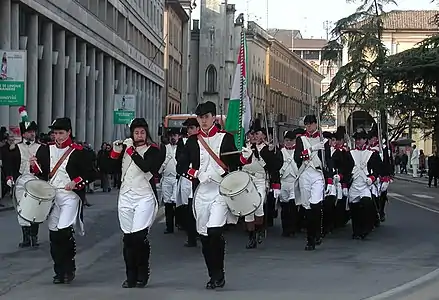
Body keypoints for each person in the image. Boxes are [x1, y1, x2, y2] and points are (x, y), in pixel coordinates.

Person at [178, 101, 250, 289]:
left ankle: (219, 273)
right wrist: (196, 174)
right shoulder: (192, 141)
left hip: (220, 191)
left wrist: (245, 156)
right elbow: (181, 166)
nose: (203, 121)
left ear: (213, 117)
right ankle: (213, 273)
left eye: (206, 117)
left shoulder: (225, 138)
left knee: (215, 231)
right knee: (204, 236)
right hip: (202, 192)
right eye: (200, 118)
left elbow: (236, 162)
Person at [31, 117, 95, 284]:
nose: (57, 136)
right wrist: (34, 166)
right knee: (54, 234)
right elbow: (40, 174)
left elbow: (91, 173)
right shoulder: (45, 150)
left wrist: (76, 182)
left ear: (69, 133)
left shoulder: (79, 151)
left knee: (63, 231)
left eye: (61, 133)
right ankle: (59, 270)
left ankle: (69, 267)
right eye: (55, 133)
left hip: (70, 196)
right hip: (51, 196)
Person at [109, 118, 161, 288]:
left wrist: (131, 151)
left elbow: (146, 167)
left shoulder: (153, 150)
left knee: (139, 237)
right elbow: (108, 168)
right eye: (136, 132)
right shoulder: (126, 149)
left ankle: (142, 272)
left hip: (144, 196)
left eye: (142, 132)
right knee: (128, 239)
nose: (139, 135)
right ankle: (130, 276)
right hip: (126, 196)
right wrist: (115, 152)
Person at [294, 114, 334, 251]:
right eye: (307, 124)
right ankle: (311, 238)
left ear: (316, 124)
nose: (309, 127)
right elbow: (297, 157)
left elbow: (328, 161)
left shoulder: (323, 140)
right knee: (307, 207)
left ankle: (317, 232)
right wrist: (312, 149)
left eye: (311, 124)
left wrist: (329, 180)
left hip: (317, 174)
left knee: (316, 204)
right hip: (305, 173)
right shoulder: (301, 139)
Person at [4, 106, 41, 248]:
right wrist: (9, 177)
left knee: (36, 208)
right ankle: (26, 237)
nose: (32, 134)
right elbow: (9, 164)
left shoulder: (41, 147)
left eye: (33, 131)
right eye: (29, 132)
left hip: (36, 180)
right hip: (20, 180)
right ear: (24, 134)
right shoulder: (15, 148)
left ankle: (34, 236)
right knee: (22, 208)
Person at [241, 119, 281, 249]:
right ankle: (251, 236)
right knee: (248, 209)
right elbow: (240, 164)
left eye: (257, 133)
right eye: (252, 134)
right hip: (247, 179)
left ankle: (259, 230)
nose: (254, 136)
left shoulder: (267, 149)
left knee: (258, 205)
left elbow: (275, 166)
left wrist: (271, 152)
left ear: (263, 135)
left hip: (260, 179)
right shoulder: (246, 147)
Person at [343, 127, 382, 239]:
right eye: (356, 139)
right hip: (354, 184)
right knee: (354, 209)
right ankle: (356, 231)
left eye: (360, 139)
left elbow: (378, 169)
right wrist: (345, 185)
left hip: (366, 185)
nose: (358, 141)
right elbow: (345, 170)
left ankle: (366, 229)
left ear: (365, 140)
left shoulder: (372, 154)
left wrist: (373, 178)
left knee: (367, 205)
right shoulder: (350, 154)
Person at [176, 118, 200, 247]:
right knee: (189, 209)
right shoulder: (184, 142)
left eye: (191, 128)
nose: (189, 131)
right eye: (188, 128)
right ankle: (191, 237)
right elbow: (180, 161)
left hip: (201, 179)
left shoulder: (202, 141)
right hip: (188, 178)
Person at [278, 128, 304, 237]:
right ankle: (285, 228)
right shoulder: (280, 152)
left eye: (291, 140)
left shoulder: (297, 152)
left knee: (293, 206)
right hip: (283, 181)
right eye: (287, 140)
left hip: (294, 181)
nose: (288, 142)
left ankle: (293, 228)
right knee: (284, 206)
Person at [159, 128, 180, 234]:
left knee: (176, 201)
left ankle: (180, 222)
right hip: (166, 177)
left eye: (175, 135)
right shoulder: (164, 148)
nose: (173, 137)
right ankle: (169, 226)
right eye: (171, 135)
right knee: (167, 203)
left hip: (177, 178)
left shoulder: (182, 147)